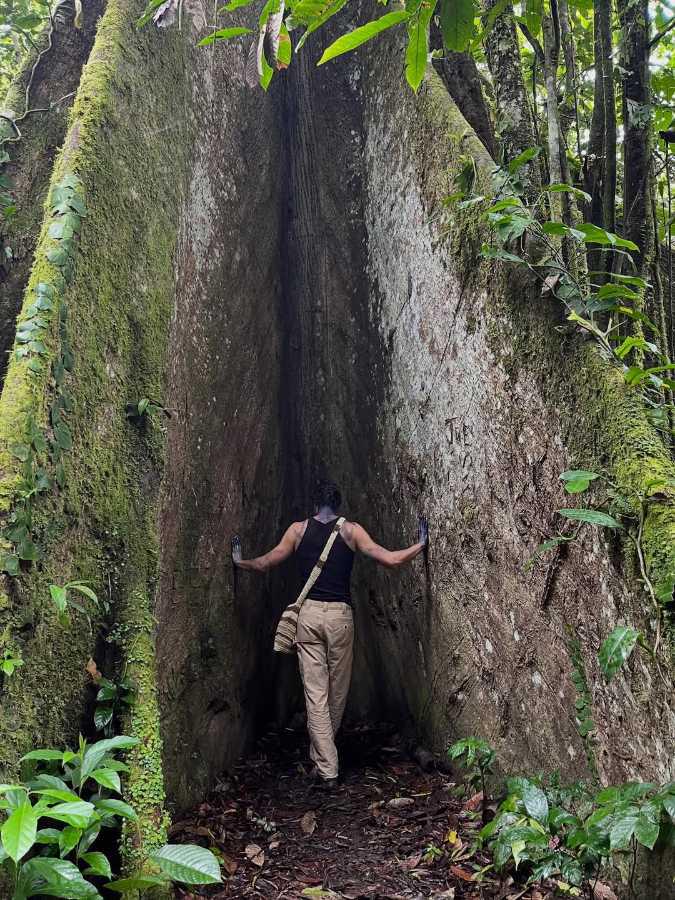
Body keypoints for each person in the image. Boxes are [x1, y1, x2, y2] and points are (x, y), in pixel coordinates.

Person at [231, 479, 429, 787]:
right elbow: (390, 559)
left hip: (308, 616)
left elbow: (266, 563)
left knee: (316, 694)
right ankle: (328, 766)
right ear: (338, 506)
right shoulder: (351, 531)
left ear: (314, 505)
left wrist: (239, 561)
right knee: (337, 691)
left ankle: (322, 758)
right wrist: (420, 543)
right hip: (340, 617)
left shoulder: (297, 530)